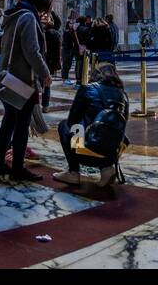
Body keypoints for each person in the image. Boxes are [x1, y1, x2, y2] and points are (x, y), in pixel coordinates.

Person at [0, 0, 52, 184]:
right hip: (23, 79)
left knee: (8, 122)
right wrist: (45, 73)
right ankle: (17, 168)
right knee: (22, 126)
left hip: (9, 78)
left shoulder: (14, 15)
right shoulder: (28, 18)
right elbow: (32, 51)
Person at [53, 61, 130, 189]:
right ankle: (106, 169)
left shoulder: (88, 89)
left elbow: (72, 120)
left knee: (64, 126)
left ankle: (73, 172)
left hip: (88, 150)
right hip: (112, 151)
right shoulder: (123, 95)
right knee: (110, 132)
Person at [40, 9, 61, 110]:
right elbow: (58, 52)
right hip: (51, 62)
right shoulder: (56, 34)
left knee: (35, 82)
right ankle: (45, 106)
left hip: (41, 60)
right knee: (47, 84)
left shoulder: (42, 32)